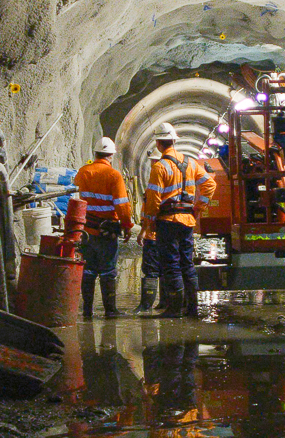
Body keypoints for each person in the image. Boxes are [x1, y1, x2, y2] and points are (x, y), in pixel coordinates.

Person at [142, 123, 216, 318]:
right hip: (187, 221)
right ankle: (192, 308)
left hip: (167, 221)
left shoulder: (159, 167)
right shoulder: (191, 163)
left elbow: (153, 198)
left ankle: (174, 309)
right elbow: (210, 183)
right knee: (187, 263)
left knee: (171, 264)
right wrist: (199, 207)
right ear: (174, 140)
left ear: (158, 143)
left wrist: (149, 222)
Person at [74, 137, 133, 319]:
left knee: (88, 270)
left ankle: (87, 311)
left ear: (95, 153)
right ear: (111, 156)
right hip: (107, 231)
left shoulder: (83, 172)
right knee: (108, 270)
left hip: (86, 230)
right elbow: (122, 205)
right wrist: (127, 225)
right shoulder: (114, 175)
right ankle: (110, 310)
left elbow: (76, 195)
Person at [134, 150, 163, 313]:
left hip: (154, 233)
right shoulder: (172, 177)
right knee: (167, 268)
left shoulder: (157, 180)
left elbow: (151, 208)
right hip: (166, 233)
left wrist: (143, 230)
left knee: (151, 269)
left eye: (154, 161)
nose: (152, 165)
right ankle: (165, 304)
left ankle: (146, 306)